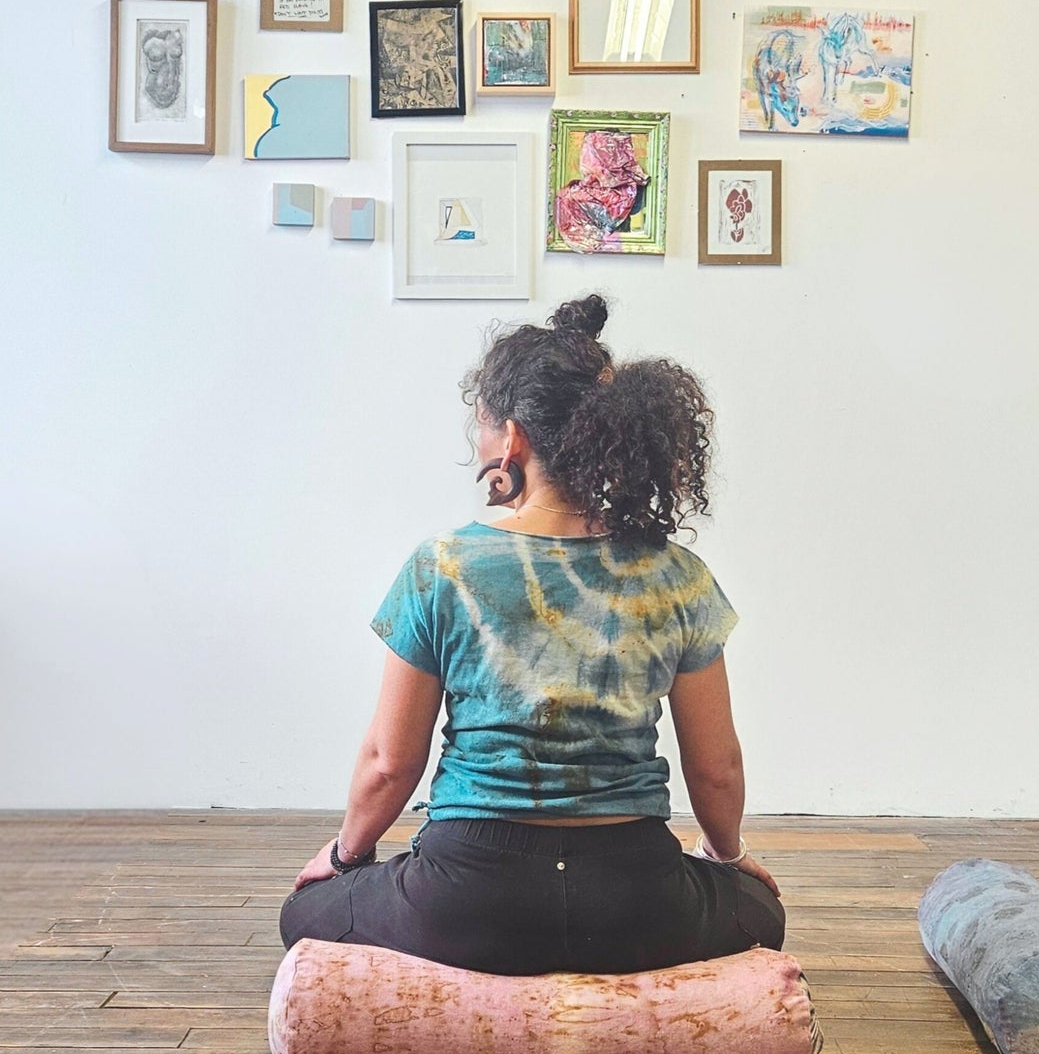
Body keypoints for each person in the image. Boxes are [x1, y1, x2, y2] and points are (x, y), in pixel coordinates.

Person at [278, 295, 783, 976]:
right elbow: (716, 768)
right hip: (633, 904)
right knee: (759, 910)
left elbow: (388, 763)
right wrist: (726, 859)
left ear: (511, 437)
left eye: (480, 428)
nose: (477, 446)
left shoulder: (444, 568)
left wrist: (345, 858)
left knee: (305, 913)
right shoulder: (678, 574)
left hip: (467, 900)